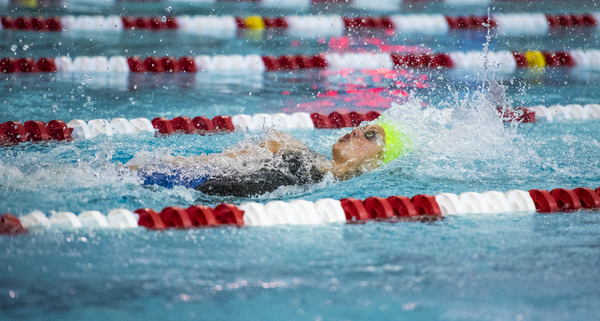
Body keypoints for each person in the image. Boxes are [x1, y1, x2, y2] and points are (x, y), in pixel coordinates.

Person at [128, 117, 410, 198]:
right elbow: (214, 160)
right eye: (362, 126)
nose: (357, 129)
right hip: (168, 183)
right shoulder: (290, 145)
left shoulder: (328, 187)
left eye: (370, 135)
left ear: (376, 162)